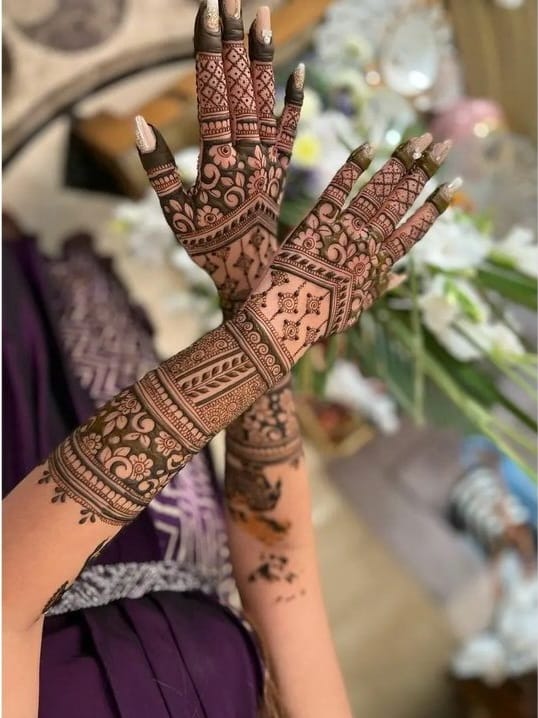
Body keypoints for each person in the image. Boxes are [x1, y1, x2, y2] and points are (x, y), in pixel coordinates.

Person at [2, 1, 457, 716]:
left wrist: (265, 337)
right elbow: (281, 568)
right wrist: (251, 287)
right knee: (56, 313)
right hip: (155, 497)